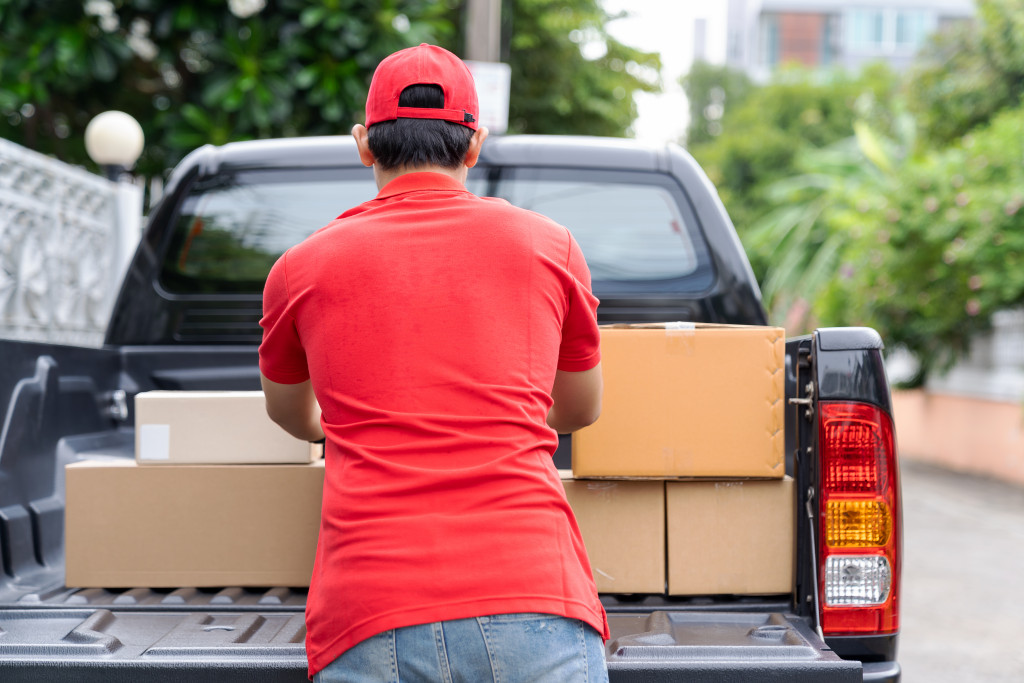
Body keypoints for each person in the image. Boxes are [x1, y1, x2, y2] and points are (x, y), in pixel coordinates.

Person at [258, 43, 608, 682]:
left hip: (370, 608)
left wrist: (353, 414)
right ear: (473, 148)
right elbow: (580, 410)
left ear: (364, 143)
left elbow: (292, 414)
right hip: (532, 591)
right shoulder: (550, 246)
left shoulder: (299, 268)